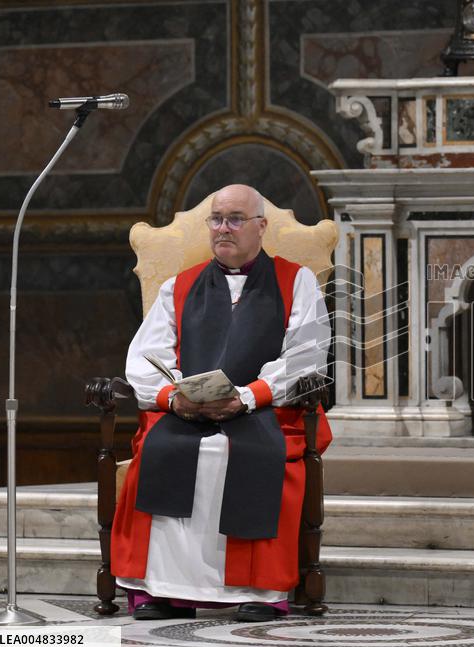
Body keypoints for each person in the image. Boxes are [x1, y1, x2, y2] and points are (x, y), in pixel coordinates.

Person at [111, 184, 332, 622]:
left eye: (235, 219)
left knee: (243, 454)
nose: (223, 228)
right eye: (216, 219)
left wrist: (247, 398)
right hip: (187, 411)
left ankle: (258, 589)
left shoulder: (296, 281)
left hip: (264, 411)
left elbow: (306, 356)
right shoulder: (179, 286)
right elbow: (145, 357)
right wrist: (174, 399)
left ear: (261, 227)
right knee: (164, 449)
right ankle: (164, 589)